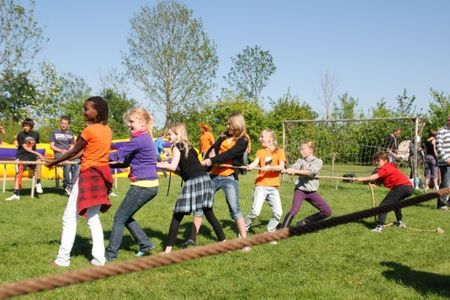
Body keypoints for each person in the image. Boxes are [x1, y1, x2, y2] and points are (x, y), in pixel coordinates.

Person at [46, 96, 112, 267]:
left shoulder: (88, 130)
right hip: (102, 176)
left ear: (97, 111)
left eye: (87, 109)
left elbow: (75, 150)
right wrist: (64, 160)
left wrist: (53, 162)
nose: (84, 111)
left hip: (88, 175)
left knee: (69, 217)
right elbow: (83, 153)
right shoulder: (107, 130)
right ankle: (99, 259)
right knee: (93, 217)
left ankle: (62, 259)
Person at [157, 122, 225, 253]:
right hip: (205, 179)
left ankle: (167, 250)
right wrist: (171, 167)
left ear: (177, 134)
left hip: (194, 182)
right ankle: (224, 241)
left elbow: (172, 166)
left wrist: (159, 164)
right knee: (208, 212)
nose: (168, 137)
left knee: (177, 215)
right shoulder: (189, 146)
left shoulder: (176, 146)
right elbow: (186, 170)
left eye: (169, 134)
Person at [188, 112, 249, 250]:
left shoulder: (243, 140)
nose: (227, 126)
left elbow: (231, 154)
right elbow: (213, 148)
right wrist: (210, 156)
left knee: (234, 209)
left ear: (237, 124)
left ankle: (245, 242)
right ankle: (192, 239)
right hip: (214, 175)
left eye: (229, 123)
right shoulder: (224, 136)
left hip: (229, 178)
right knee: (200, 205)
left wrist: (213, 159)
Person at [105, 108, 159, 260]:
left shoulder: (140, 139)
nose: (128, 125)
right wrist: (106, 165)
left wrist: (97, 156)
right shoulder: (142, 137)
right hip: (148, 186)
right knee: (125, 216)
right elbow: (125, 162)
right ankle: (145, 244)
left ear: (142, 123)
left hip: (143, 186)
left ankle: (110, 255)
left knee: (119, 218)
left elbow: (118, 154)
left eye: (131, 122)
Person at [357, 151, 414, 233]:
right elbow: (377, 180)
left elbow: (374, 176)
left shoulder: (386, 167)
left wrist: (363, 178)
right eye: (375, 161)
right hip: (409, 188)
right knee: (396, 204)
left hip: (401, 187)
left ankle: (380, 226)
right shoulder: (388, 167)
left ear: (385, 161)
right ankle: (399, 222)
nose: (376, 162)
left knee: (384, 205)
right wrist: (372, 183)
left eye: (378, 161)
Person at [280, 141, 332, 228]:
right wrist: (290, 170)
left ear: (311, 150)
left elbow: (310, 172)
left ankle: (304, 222)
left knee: (327, 211)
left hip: (312, 192)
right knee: (294, 210)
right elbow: (295, 166)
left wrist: (295, 171)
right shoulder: (301, 161)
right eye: (300, 149)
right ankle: (281, 231)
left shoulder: (318, 161)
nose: (301, 151)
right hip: (300, 190)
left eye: (303, 149)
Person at [244, 129, 285, 236]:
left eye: (262, 136)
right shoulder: (260, 152)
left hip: (273, 187)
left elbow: (281, 166)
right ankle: (243, 228)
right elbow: (255, 162)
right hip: (261, 186)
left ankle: (270, 232)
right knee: (255, 212)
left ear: (270, 138)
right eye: (260, 136)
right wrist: (250, 166)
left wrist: (270, 168)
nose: (260, 139)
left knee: (278, 213)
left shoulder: (279, 151)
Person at [6, 118, 45, 201]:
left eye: (27, 126)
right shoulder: (20, 135)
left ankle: (38, 183)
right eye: (24, 126)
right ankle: (16, 194)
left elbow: (35, 145)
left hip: (32, 156)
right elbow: (26, 148)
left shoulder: (36, 134)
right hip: (22, 156)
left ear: (31, 126)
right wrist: (39, 154)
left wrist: (37, 156)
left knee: (39, 162)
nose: (25, 127)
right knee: (18, 173)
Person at [49, 116, 80, 195]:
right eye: (62, 123)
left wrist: (68, 152)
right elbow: (51, 146)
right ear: (60, 123)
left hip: (68, 153)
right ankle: (66, 184)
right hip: (59, 154)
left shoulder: (70, 133)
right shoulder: (55, 132)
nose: (63, 125)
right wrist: (61, 151)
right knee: (67, 163)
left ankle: (71, 185)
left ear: (68, 125)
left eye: (65, 124)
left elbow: (72, 145)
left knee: (78, 162)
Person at [436, 115, 450, 210]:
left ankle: (448, 203)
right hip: (445, 162)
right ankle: (442, 204)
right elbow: (439, 147)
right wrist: (446, 159)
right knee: (446, 183)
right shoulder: (441, 131)